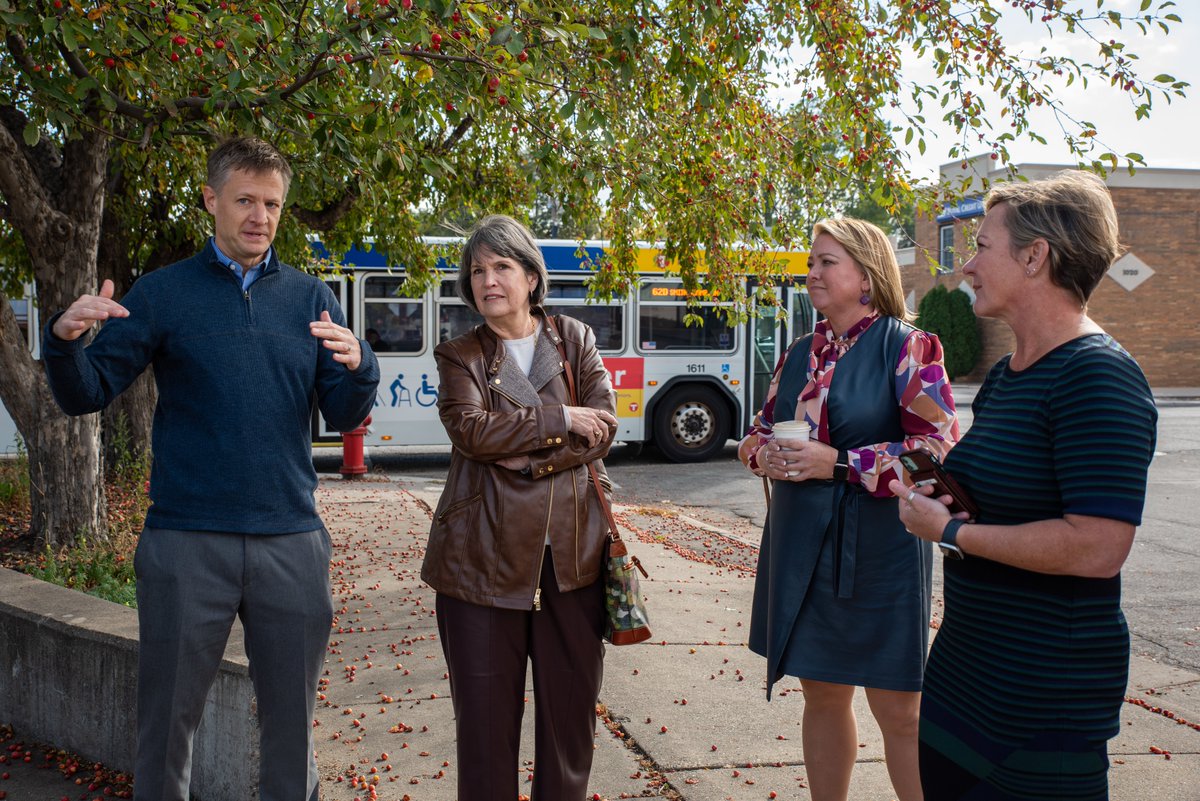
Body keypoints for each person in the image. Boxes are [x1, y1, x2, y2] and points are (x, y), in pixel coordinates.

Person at [42, 136, 380, 801]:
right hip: (186, 541)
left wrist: (361, 363)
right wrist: (62, 339)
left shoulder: (311, 297)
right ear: (211, 200)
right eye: (245, 199)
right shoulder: (165, 293)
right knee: (166, 724)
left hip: (291, 539)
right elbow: (86, 391)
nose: (259, 215)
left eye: (272, 203)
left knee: (292, 725)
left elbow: (343, 413)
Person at [890, 171, 1157, 800]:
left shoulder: (1099, 379)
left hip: (1038, 709)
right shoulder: (1009, 375)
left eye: (981, 246)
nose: (965, 268)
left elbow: (1096, 547)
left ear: (1036, 256)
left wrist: (952, 530)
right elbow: (1011, 502)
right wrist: (946, 498)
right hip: (966, 682)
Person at [739, 217, 960, 801]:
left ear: (866, 274)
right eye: (811, 262)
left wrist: (837, 462)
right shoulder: (796, 354)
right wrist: (765, 456)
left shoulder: (908, 346)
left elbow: (934, 451)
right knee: (822, 693)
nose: (811, 272)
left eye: (825, 262)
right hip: (803, 547)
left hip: (883, 549)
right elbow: (757, 432)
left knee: (899, 708)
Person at [421, 214, 618, 801]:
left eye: (502, 266)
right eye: (477, 270)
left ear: (531, 277)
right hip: (479, 564)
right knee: (483, 734)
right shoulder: (460, 355)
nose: (488, 280)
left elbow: (604, 428)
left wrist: (527, 457)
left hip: (573, 559)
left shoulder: (574, 338)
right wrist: (560, 421)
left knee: (568, 731)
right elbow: (472, 433)